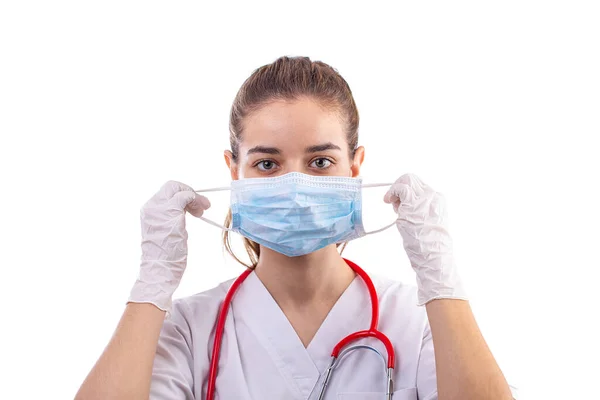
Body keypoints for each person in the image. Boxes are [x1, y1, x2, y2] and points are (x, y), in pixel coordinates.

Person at [75, 56, 517, 400]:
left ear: (355, 167)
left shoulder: (418, 320)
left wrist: (441, 280)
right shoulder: (189, 328)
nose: (295, 187)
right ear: (234, 171)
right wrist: (151, 287)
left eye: (320, 162)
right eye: (267, 164)